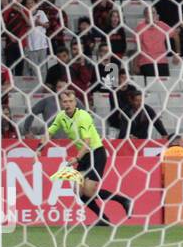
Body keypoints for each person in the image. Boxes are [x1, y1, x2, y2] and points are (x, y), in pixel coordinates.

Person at [33, 89, 133, 227]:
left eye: (71, 101)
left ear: (75, 102)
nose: (68, 104)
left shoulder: (83, 116)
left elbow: (87, 142)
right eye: (65, 101)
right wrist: (39, 149)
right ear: (61, 103)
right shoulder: (61, 116)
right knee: (79, 192)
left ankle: (124, 201)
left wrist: (77, 159)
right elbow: (49, 133)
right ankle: (103, 219)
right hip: (84, 155)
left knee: (88, 190)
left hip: (96, 153)